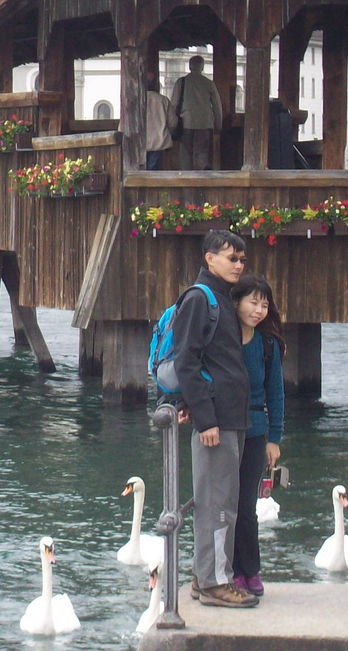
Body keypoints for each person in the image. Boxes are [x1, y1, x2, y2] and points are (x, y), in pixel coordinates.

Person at [172, 229, 255, 607]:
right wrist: (205, 419)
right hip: (216, 421)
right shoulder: (199, 298)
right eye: (230, 258)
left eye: (241, 259)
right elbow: (186, 362)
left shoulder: (220, 298)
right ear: (209, 258)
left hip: (230, 416)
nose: (238, 265)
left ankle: (204, 576)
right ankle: (214, 583)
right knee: (217, 503)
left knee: (224, 501)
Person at [230, 274, 285, 599]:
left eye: (264, 304)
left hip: (255, 431)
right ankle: (227, 571)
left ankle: (249, 570)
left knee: (246, 506)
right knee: (223, 506)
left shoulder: (267, 345)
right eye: (253, 302)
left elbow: (275, 394)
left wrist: (274, 438)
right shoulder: (222, 340)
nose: (259, 310)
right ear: (235, 301)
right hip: (223, 429)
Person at [170, 56, 223, 170]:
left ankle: (187, 179)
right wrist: (218, 124)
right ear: (202, 67)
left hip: (186, 123)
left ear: (189, 66)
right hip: (205, 124)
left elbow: (174, 104)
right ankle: (204, 173)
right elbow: (217, 106)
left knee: (185, 155)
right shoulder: (209, 83)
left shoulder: (181, 82)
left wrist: (172, 124)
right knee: (202, 153)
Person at [145, 80, 178, 170]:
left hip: (138, 143)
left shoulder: (135, 100)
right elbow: (173, 122)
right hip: (158, 142)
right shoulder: (163, 100)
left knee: (137, 174)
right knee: (154, 172)